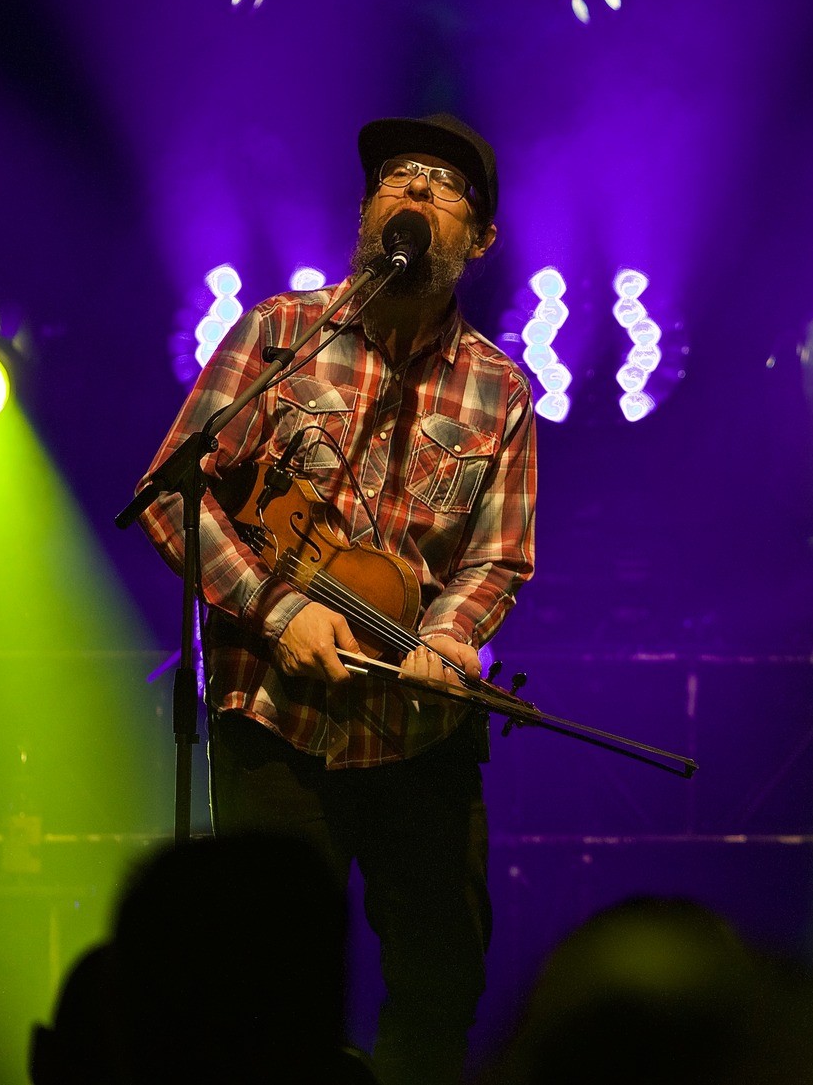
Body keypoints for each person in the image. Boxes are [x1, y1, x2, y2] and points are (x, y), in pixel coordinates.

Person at [137, 113, 537, 1085]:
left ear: (480, 239)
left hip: (419, 733)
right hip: (275, 722)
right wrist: (276, 609)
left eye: (444, 185)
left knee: (441, 977)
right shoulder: (278, 333)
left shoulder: (501, 389)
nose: (415, 190)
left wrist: (446, 638)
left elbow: (497, 559)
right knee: (262, 989)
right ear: (366, 212)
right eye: (396, 176)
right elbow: (169, 495)